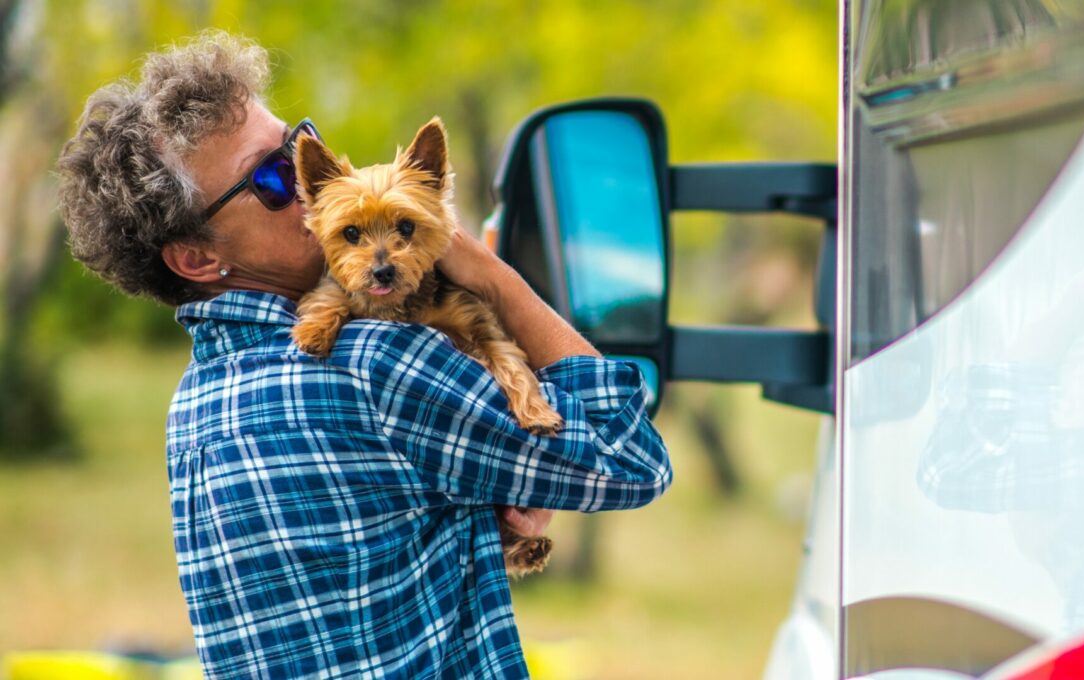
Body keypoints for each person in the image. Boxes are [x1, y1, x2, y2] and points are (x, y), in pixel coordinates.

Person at [56, 30, 671, 679]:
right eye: (272, 177)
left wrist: (487, 491)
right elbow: (631, 459)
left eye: (302, 147)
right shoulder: (374, 363)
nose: (310, 182)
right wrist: (490, 274)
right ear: (199, 258)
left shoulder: (195, 409)